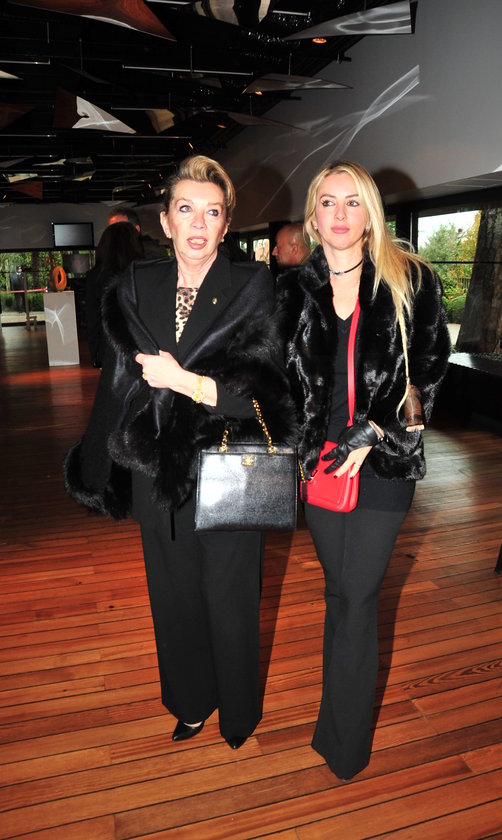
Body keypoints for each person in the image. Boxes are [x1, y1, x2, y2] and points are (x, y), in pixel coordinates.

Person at [64, 155, 294, 751]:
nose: (198, 223)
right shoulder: (138, 285)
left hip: (228, 467)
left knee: (231, 599)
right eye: (185, 209)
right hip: (156, 470)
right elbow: (117, 381)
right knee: (174, 599)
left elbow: (265, 396)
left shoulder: (252, 286)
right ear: (164, 221)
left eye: (212, 212)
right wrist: (97, 467)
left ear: (226, 225)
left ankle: (237, 712)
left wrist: (185, 382)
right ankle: (190, 702)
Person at [273, 160, 450, 780]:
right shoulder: (292, 291)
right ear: (313, 217)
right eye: (328, 202)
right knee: (339, 591)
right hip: (322, 467)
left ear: (370, 212)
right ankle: (334, 724)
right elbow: (271, 379)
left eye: (353, 201)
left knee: (357, 595)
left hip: (383, 464)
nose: (341, 213)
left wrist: (373, 430)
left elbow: (429, 369)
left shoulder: (411, 280)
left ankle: (345, 747)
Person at [85, 221, 144, 367]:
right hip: (142, 348)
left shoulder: (95, 277)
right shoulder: (142, 273)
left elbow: (93, 319)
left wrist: (96, 355)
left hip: (109, 348)